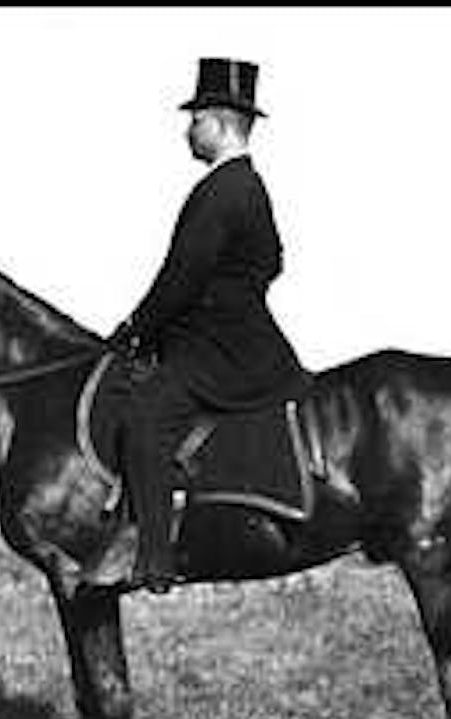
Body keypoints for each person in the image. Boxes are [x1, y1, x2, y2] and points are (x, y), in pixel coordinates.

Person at [83, 57, 308, 593]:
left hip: (222, 349)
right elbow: (274, 261)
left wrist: (138, 328)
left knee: (145, 412)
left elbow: (181, 277)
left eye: (196, 118)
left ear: (223, 122)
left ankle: (153, 557)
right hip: (241, 338)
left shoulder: (221, 189)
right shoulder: (247, 185)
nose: (188, 129)